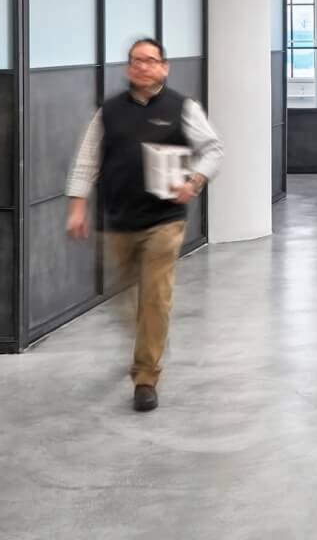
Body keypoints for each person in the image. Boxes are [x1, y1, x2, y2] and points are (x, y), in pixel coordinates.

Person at [64, 37, 223, 412]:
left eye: (151, 61)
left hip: (163, 221)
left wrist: (194, 181)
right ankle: (145, 346)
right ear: (127, 67)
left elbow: (213, 149)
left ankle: (146, 376)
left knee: (154, 297)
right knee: (126, 298)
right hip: (117, 219)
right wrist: (76, 206)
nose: (143, 67)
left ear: (164, 67)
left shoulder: (182, 108)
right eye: (136, 61)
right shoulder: (109, 111)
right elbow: (87, 160)